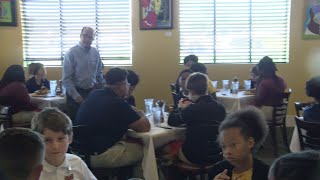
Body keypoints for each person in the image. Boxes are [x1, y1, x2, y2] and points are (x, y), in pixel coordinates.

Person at [75, 67, 150, 177]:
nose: (128, 87)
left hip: (81, 151)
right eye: (127, 84)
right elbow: (145, 127)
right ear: (122, 85)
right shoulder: (117, 103)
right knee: (147, 152)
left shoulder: (94, 94)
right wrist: (142, 113)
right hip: (101, 154)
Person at [167, 72, 226, 165]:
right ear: (207, 88)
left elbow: (171, 121)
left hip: (194, 156)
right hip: (216, 153)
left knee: (167, 152)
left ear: (191, 90)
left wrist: (180, 108)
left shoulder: (191, 109)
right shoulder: (220, 107)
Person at [31, 107, 96, 180]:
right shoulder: (31, 172)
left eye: (61, 139)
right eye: (47, 140)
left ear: (70, 138)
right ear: (37, 141)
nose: (55, 146)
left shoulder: (77, 163)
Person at [211, 107, 269, 180]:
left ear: (250, 143)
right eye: (223, 146)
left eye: (233, 145)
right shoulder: (217, 170)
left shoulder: (266, 174)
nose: (227, 151)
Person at [62, 26, 104, 121]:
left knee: (92, 122)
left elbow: (98, 74)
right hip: (75, 93)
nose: (87, 39)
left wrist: (103, 89)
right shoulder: (71, 53)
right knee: (76, 123)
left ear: (93, 39)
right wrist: (77, 96)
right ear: (80, 36)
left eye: (90, 37)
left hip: (91, 92)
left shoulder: (95, 52)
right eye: (85, 36)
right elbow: (66, 79)